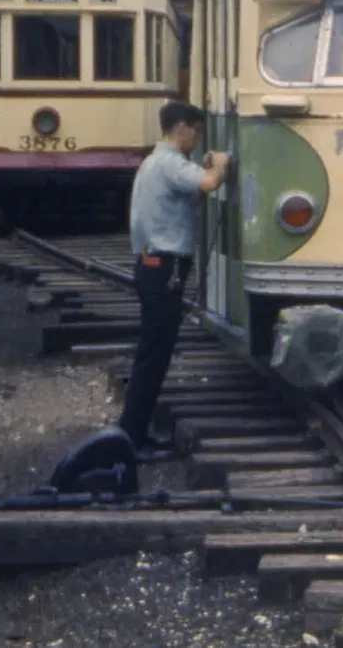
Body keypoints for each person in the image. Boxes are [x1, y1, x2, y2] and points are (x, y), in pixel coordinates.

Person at [119, 101, 230, 460]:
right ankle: (132, 438)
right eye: (196, 130)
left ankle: (135, 432)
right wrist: (221, 164)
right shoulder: (169, 163)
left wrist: (204, 171)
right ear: (181, 126)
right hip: (163, 267)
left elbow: (191, 195)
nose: (197, 137)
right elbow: (209, 183)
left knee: (153, 351)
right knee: (154, 354)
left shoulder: (153, 163)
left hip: (153, 264)